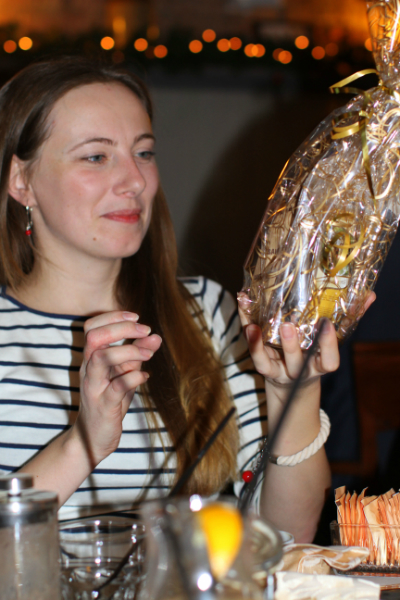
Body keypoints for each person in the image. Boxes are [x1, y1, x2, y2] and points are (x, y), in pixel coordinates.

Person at [0, 57, 347, 542]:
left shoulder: (209, 311)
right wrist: (84, 443)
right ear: (22, 180)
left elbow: (285, 537)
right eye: (96, 157)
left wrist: (296, 396)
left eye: (143, 152)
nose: (136, 181)